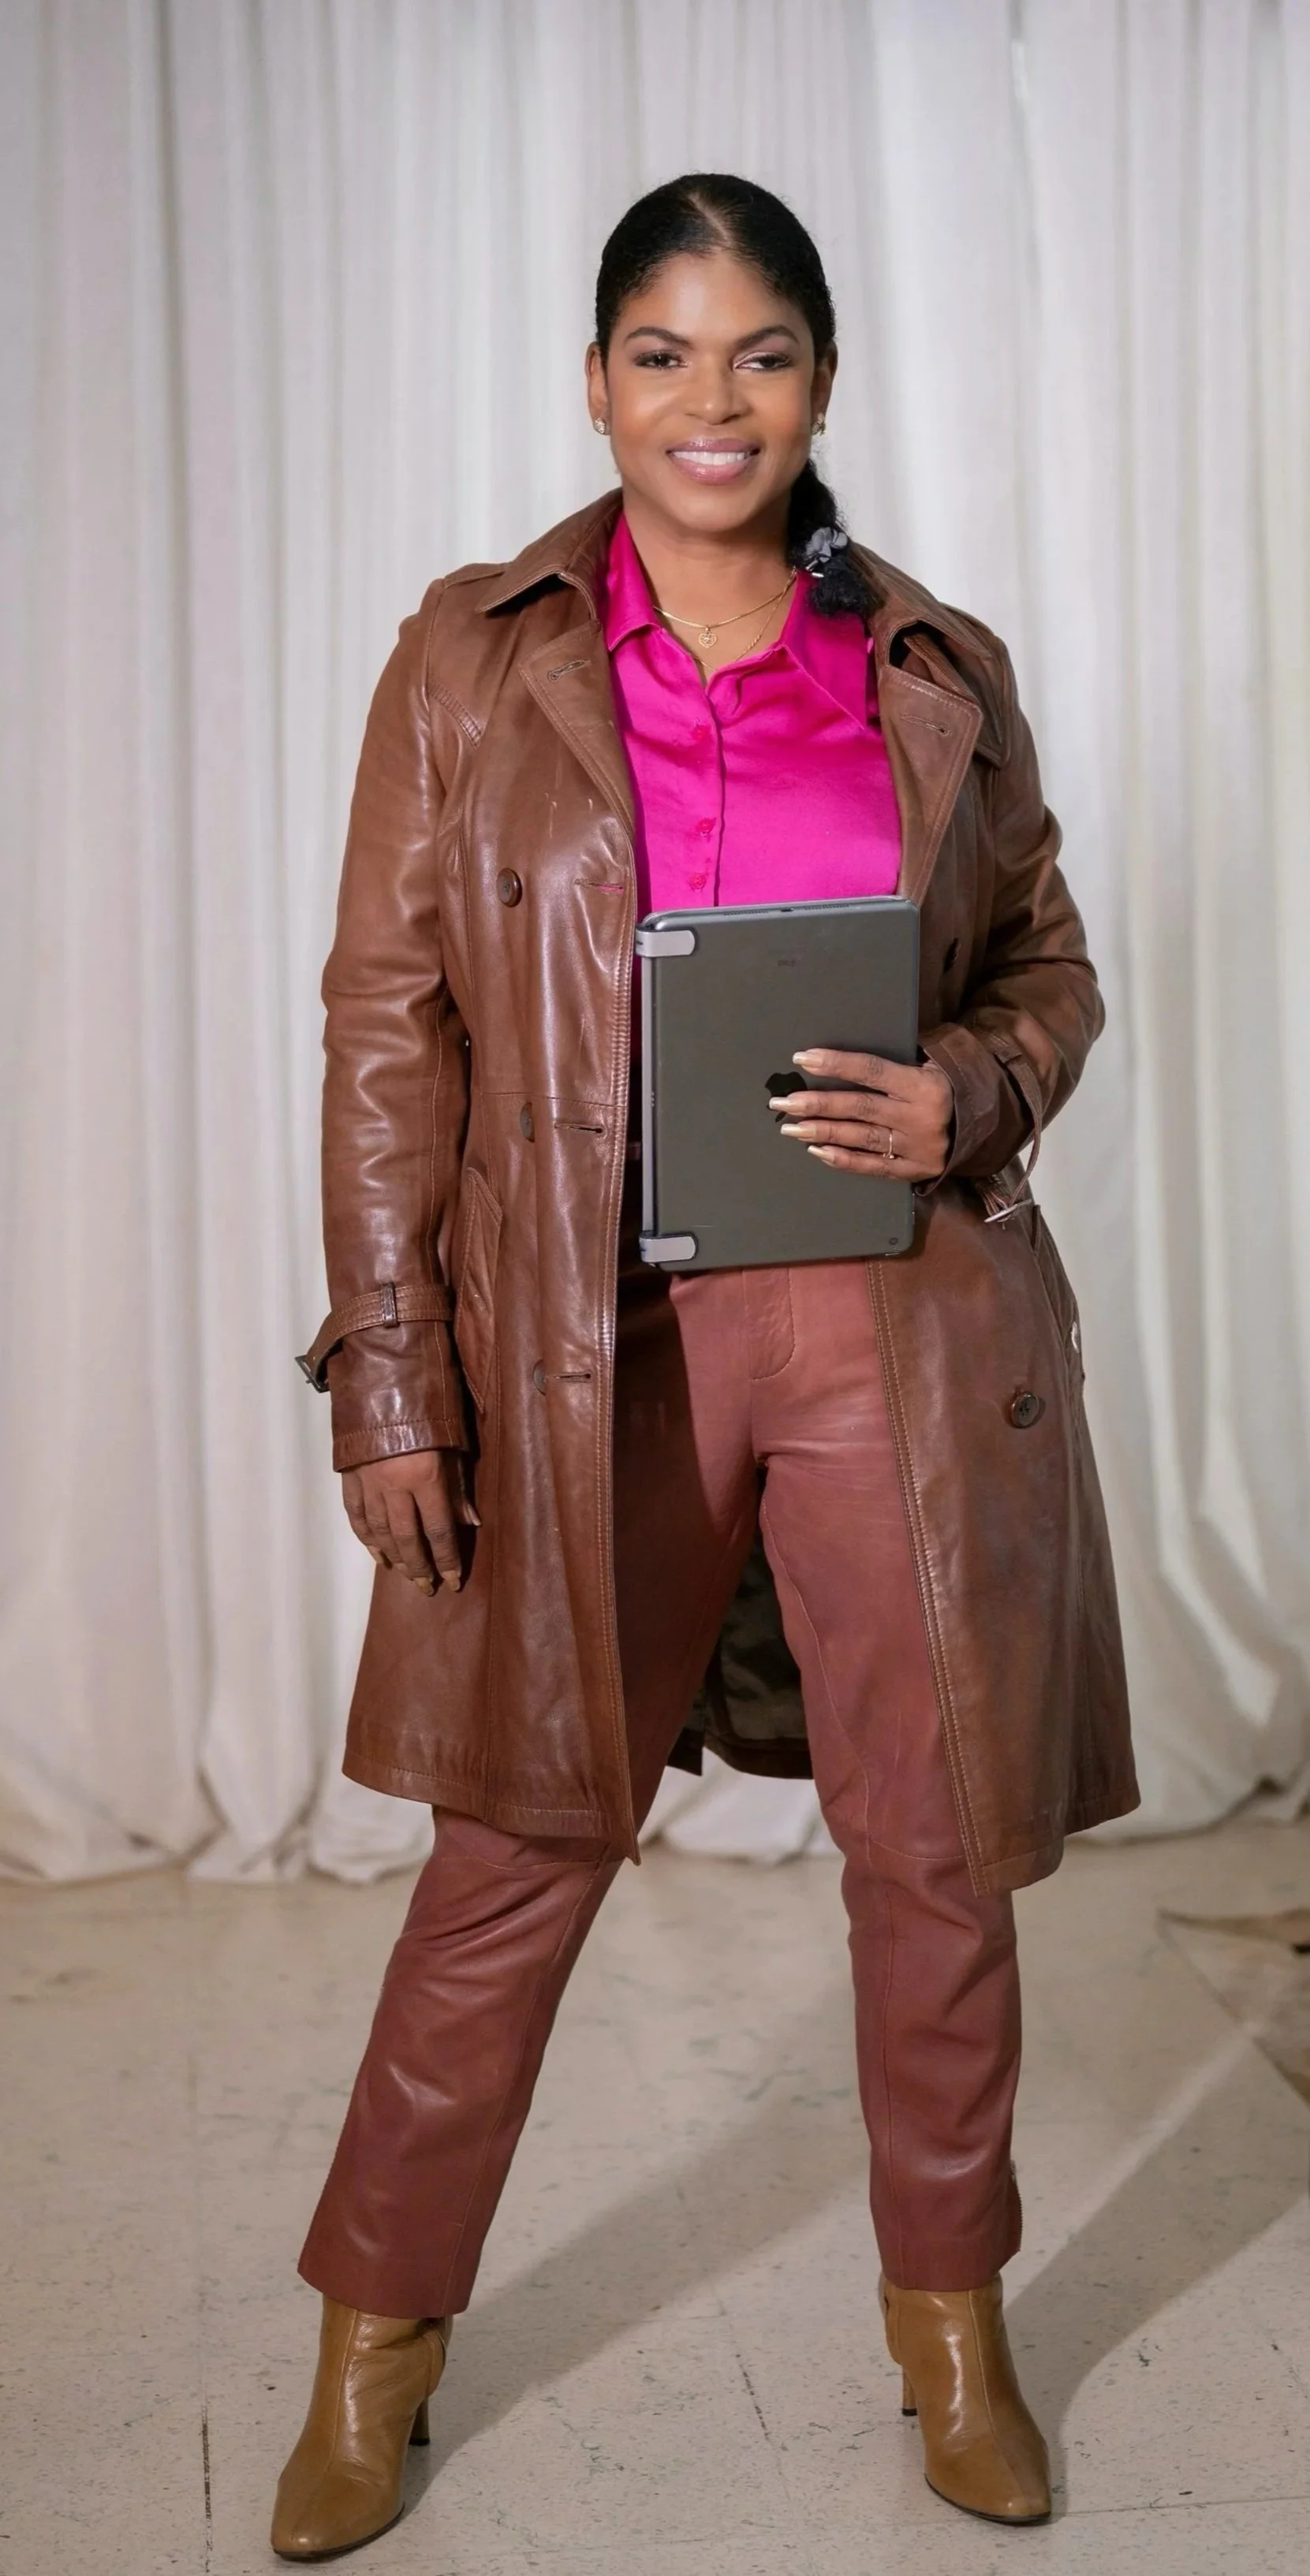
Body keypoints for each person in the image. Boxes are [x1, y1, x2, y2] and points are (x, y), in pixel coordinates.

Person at [272, 173, 1136, 2560]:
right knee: (516, 1845)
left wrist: (970, 1092)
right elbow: (387, 1030)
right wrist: (388, 1376)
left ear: (821, 381)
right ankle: (373, 2347)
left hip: (887, 1322)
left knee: (931, 1850)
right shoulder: (477, 659)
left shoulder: (933, 664)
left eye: (759, 352)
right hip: (590, 1342)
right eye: (661, 353)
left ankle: (951, 2332)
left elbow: (1049, 966)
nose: (710, 399)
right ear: (595, 383)